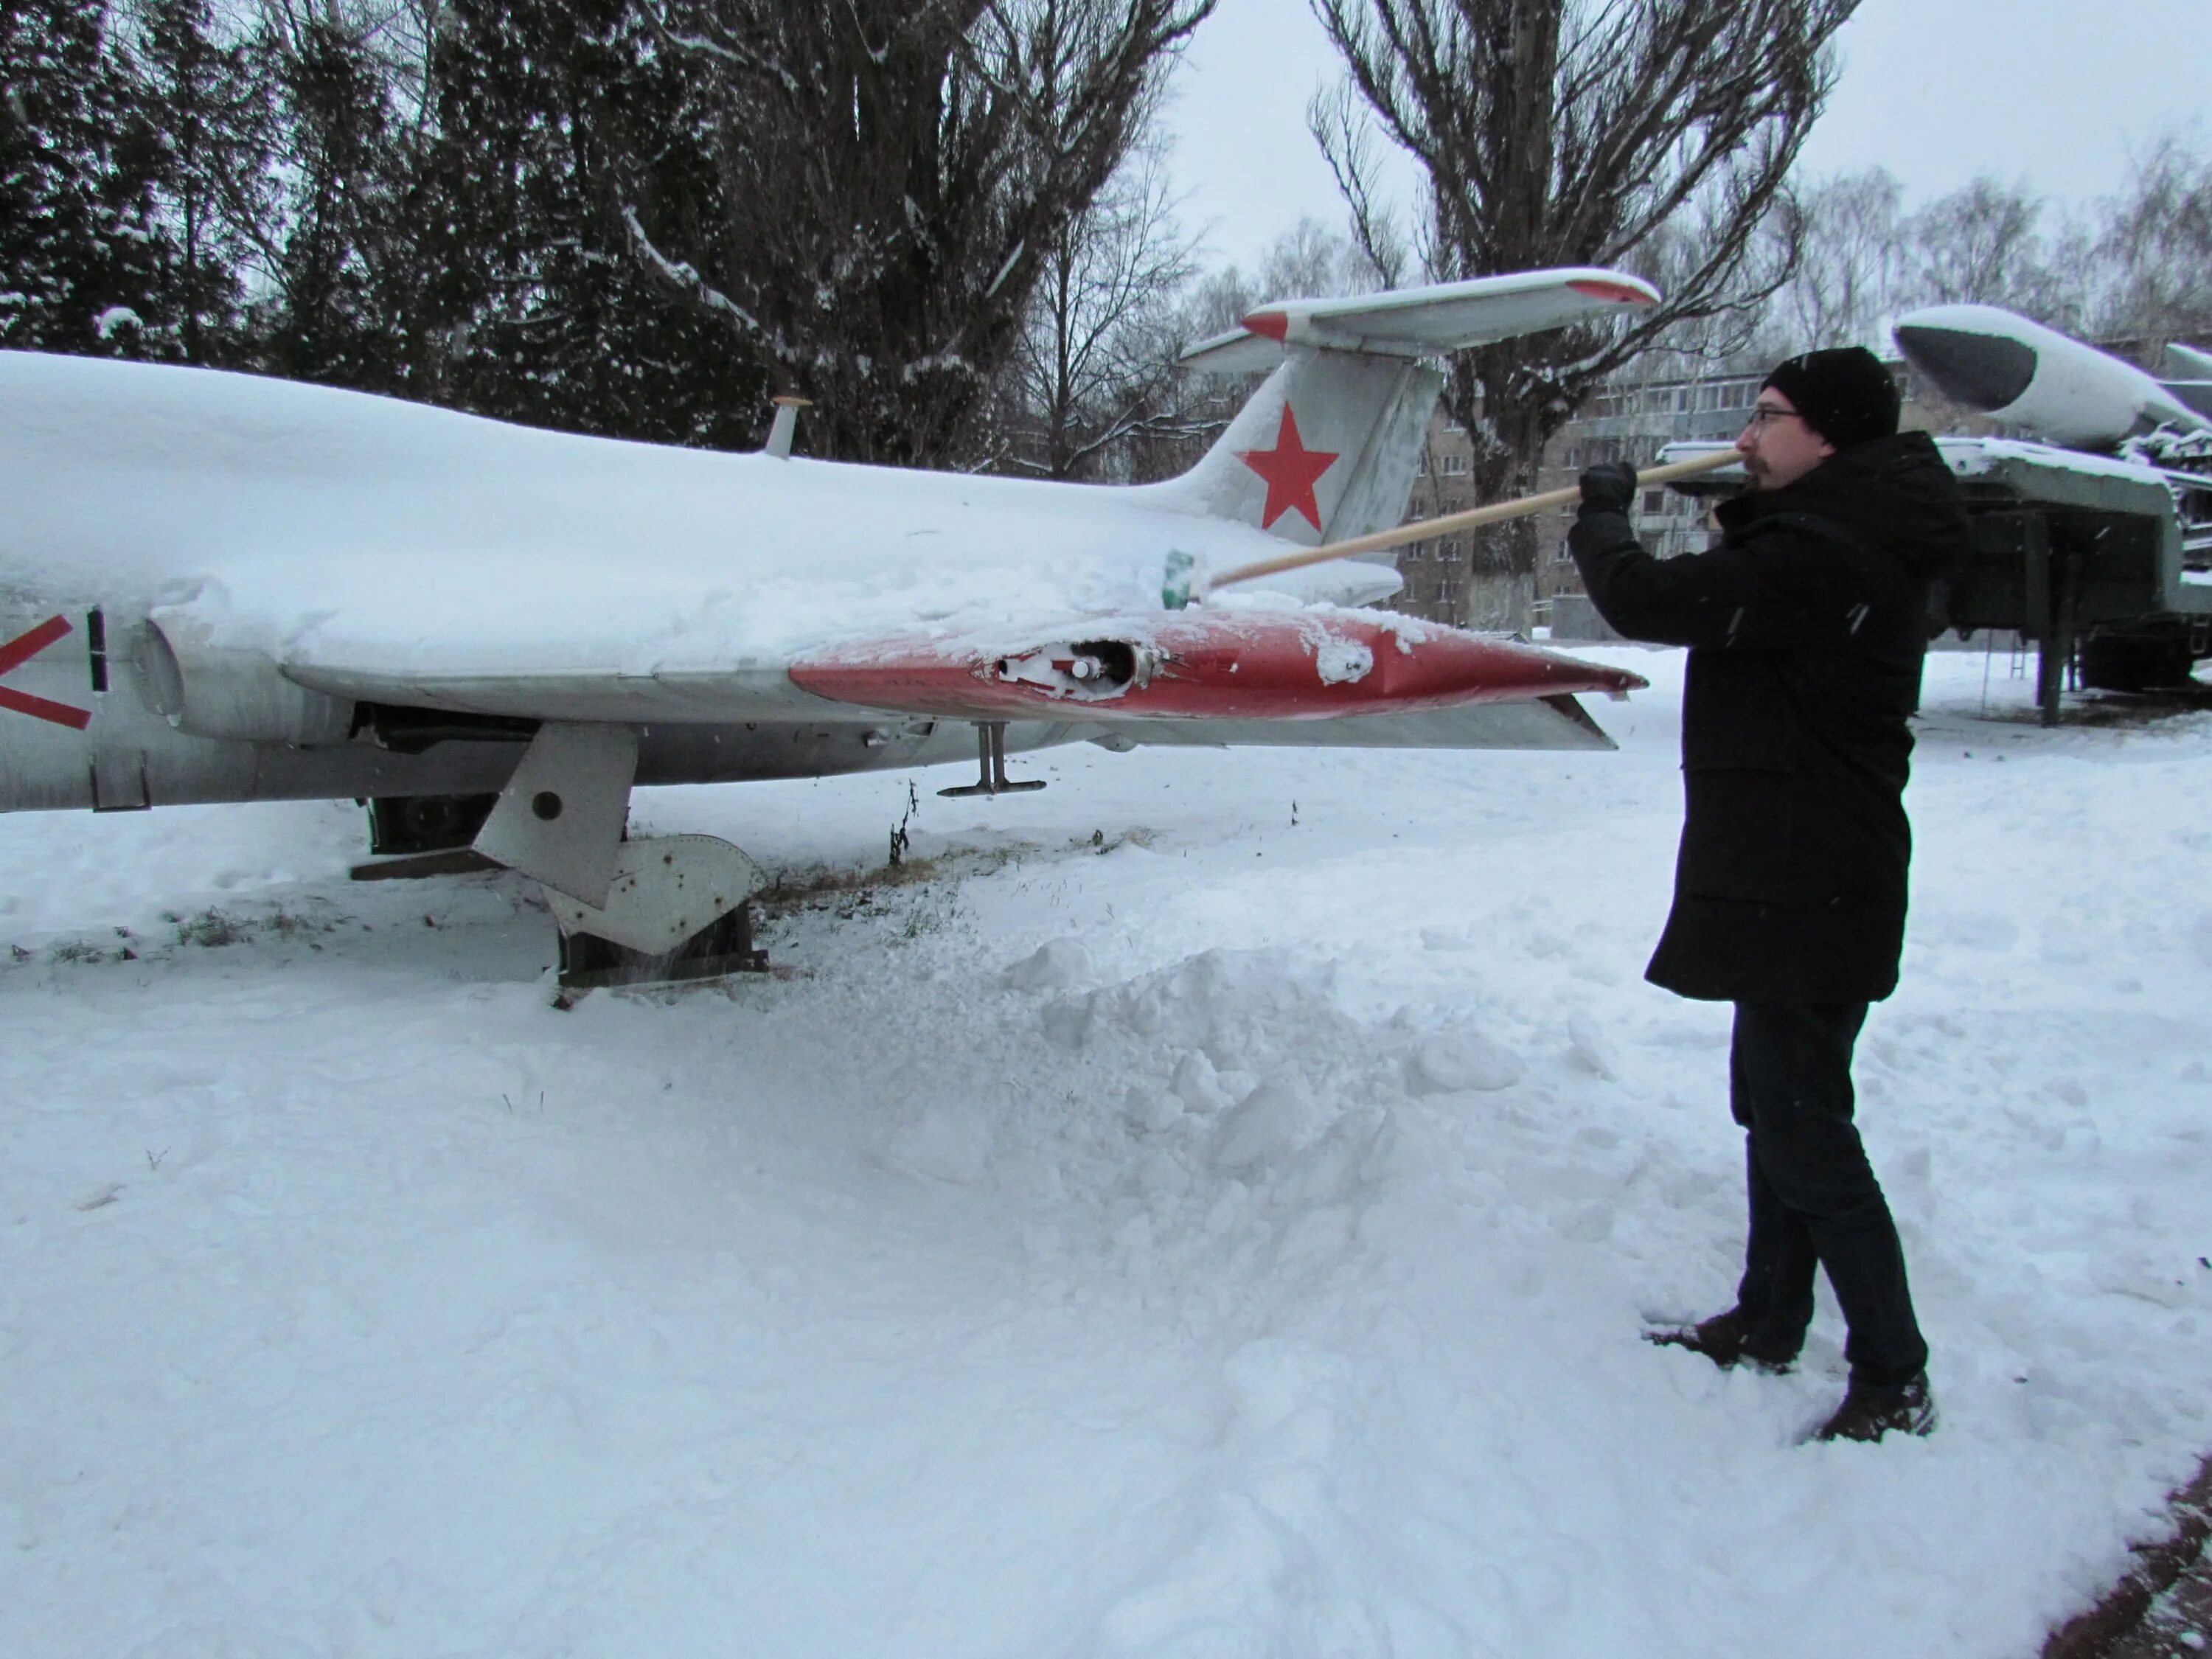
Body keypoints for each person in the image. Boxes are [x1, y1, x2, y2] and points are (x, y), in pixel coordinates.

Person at [1568, 346, 1972, 1444]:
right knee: (1773, 1099)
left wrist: (1603, 516)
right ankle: (1768, 1314)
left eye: (1768, 418)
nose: (1746, 436)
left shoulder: (1833, 551)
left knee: (1804, 1122)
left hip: (1814, 874)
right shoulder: (1842, 531)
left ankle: (1895, 1370)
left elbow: (1652, 598)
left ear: (1828, 434)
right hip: (1794, 866)